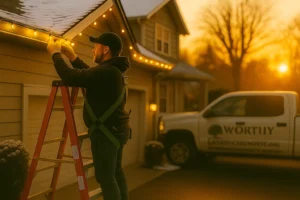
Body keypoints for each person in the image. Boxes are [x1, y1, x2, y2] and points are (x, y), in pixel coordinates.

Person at [47, 32, 131, 200]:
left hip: (107, 135)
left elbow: (70, 76)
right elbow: (90, 73)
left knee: (106, 178)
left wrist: (55, 53)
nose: (93, 50)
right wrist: (72, 56)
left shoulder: (106, 72)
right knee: (116, 173)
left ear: (105, 49)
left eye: (96, 46)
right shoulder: (112, 71)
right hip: (117, 131)